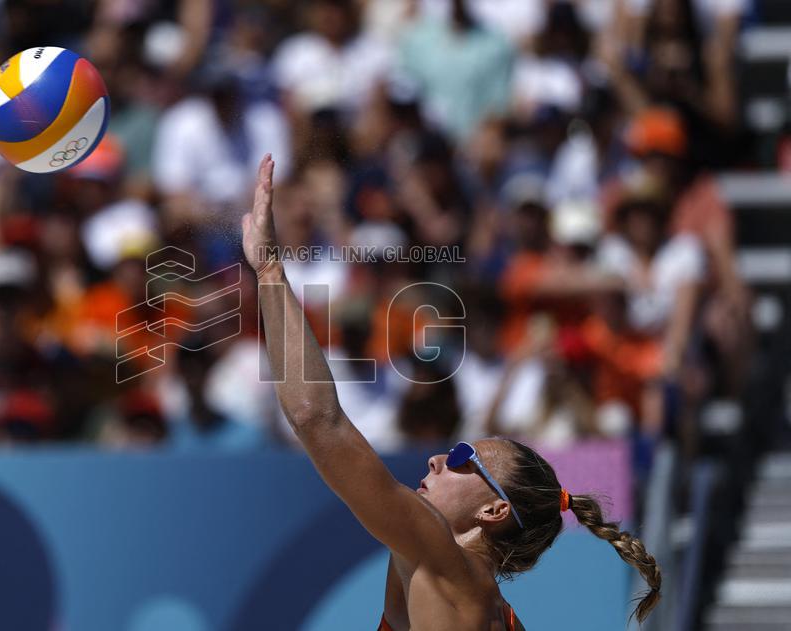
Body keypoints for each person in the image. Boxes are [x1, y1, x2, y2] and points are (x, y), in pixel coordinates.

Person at [242, 154, 661, 629]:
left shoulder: (442, 557)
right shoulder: (489, 609)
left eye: (463, 456)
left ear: (494, 509)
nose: (438, 459)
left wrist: (271, 271)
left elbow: (315, 419)